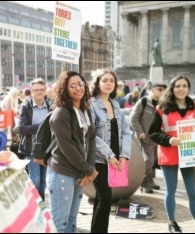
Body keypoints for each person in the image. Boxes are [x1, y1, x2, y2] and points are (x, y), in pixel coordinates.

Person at [148, 75, 195, 233]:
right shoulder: (162, 108)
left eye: (184, 86)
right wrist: (168, 140)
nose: (181, 89)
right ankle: (172, 223)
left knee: (193, 192)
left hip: (190, 154)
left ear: (188, 88)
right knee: (171, 190)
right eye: (178, 86)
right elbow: (152, 132)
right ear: (172, 88)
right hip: (169, 154)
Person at [47, 71, 98, 233]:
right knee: (59, 223)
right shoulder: (60, 113)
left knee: (72, 220)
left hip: (80, 172)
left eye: (80, 84)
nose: (78, 88)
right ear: (65, 90)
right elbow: (67, 147)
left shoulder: (86, 110)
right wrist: (89, 170)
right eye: (72, 86)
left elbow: (91, 139)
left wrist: (88, 168)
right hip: (63, 173)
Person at [90, 69, 131, 233]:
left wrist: (124, 155)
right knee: (106, 200)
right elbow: (91, 135)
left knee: (101, 198)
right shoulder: (91, 104)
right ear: (98, 83)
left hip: (115, 160)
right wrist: (109, 155)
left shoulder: (115, 104)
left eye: (111, 81)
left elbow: (126, 132)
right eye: (105, 80)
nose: (108, 84)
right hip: (99, 159)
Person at [130, 82, 166, 193]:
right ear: (152, 90)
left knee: (155, 160)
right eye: (159, 89)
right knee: (149, 159)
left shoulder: (163, 103)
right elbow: (133, 118)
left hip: (157, 137)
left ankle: (150, 180)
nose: (162, 91)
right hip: (145, 136)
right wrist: (140, 132)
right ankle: (142, 181)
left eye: (164, 89)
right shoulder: (144, 101)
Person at [19, 78, 50, 201]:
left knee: (44, 181)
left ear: (45, 91)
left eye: (42, 89)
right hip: (31, 149)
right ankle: (32, 205)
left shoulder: (50, 106)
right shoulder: (26, 107)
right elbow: (21, 128)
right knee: (35, 180)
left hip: (47, 150)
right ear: (31, 92)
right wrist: (42, 127)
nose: (39, 92)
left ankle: (40, 206)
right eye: (36, 90)